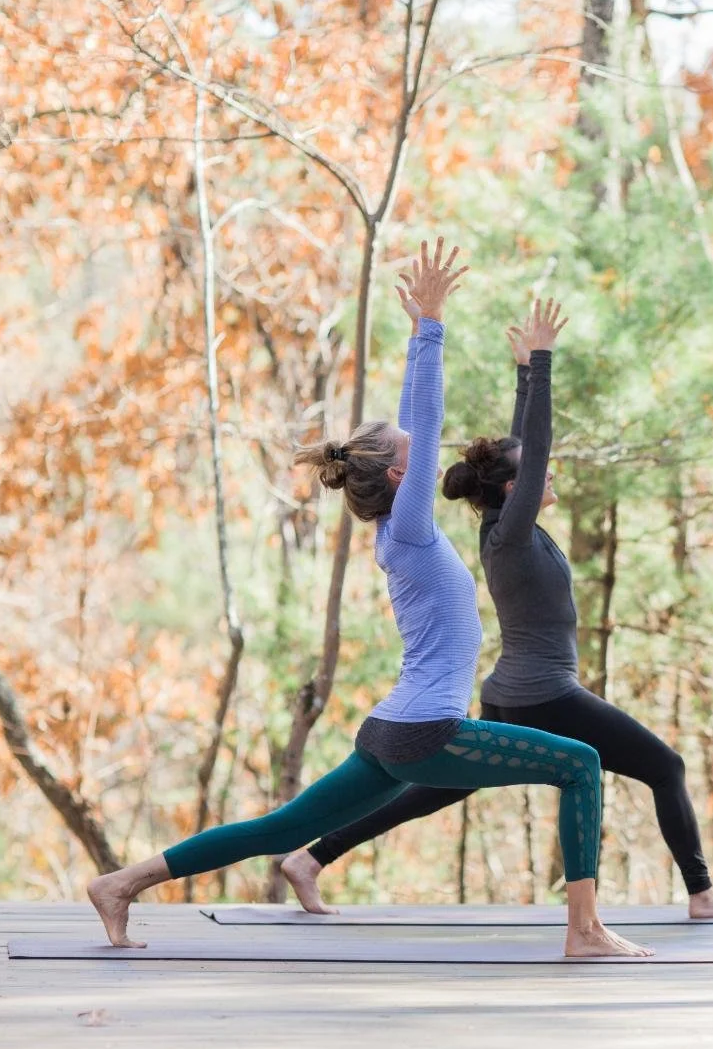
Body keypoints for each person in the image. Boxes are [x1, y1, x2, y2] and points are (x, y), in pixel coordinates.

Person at [85, 240, 651, 958]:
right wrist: (431, 327)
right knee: (580, 762)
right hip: (424, 730)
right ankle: (585, 930)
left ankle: (121, 883)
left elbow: (444, 427)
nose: (416, 436)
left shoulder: (403, 531)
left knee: (281, 829)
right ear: (394, 476)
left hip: (394, 729)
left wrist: (452, 343)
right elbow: (428, 410)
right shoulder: (408, 524)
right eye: (404, 440)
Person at [278, 298, 713, 920]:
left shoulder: (504, 523)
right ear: (515, 490)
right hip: (541, 694)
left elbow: (518, 448)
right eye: (537, 474)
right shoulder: (511, 531)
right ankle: (703, 895)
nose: (548, 473)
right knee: (666, 766)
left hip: (517, 690)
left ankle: (311, 858)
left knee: (432, 791)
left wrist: (526, 372)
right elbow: (532, 447)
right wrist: (546, 365)